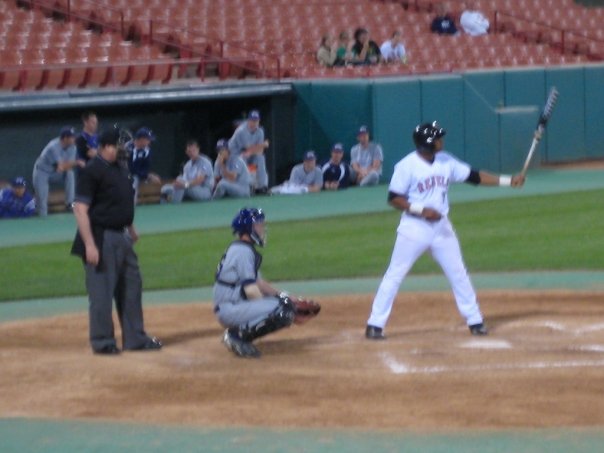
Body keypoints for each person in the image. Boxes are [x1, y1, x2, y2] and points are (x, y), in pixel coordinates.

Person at [365, 121, 525, 340]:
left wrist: (508, 181)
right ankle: (375, 324)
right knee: (395, 274)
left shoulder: (445, 160)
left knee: (458, 273)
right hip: (414, 229)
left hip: (441, 228)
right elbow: (394, 198)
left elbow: (474, 176)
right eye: (438, 138)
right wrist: (422, 210)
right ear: (428, 143)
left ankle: (475, 321)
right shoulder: (406, 166)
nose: (442, 141)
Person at [71, 129, 162, 355]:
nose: (122, 150)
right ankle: (103, 342)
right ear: (105, 146)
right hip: (101, 237)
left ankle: (135, 338)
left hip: (122, 236)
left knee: (131, 286)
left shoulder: (121, 168)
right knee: (101, 293)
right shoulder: (92, 171)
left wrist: (130, 227)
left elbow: (121, 201)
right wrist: (90, 244)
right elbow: (80, 209)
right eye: (118, 146)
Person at [213, 208, 319, 358]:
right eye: (258, 225)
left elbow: (259, 284)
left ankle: (241, 332)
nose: (262, 228)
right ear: (248, 229)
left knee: (285, 304)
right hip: (230, 309)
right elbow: (252, 291)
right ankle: (236, 336)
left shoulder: (241, 248)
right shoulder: (242, 252)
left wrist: (288, 298)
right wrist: (282, 309)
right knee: (283, 309)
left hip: (234, 305)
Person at [32, 126, 80, 217]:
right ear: (65, 138)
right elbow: (61, 167)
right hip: (41, 172)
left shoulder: (73, 147)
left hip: (54, 173)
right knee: (42, 203)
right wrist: (77, 162)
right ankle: (42, 220)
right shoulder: (53, 146)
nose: (75, 139)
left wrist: (71, 164)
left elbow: (68, 167)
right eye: (72, 137)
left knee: (70, 173)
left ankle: (70, 203)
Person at [228, 110, 270, 194]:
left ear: (259, 121)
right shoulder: (241, 130)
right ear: (248, 120)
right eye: (252, 120)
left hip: (248, 154)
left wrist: (253, 151)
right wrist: (263, 144)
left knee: (260, 158)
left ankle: (262, 187)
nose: (254, 123)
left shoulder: (260, 131)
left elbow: (260, 151)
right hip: (233, 155)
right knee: (243, 158)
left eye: (256, 120)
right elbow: (248, 148)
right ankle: (247, 187)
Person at [126, 127, 161, 202]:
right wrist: (148, 176)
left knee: (134, 179)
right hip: (122, 174)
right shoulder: (127, 147)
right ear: (141, 139)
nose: (150, 142)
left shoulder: (147, 151)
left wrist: (148, 176)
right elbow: (130, 168)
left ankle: (131, 206)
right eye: (148, 139)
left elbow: (145, 168)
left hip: (136, 176)